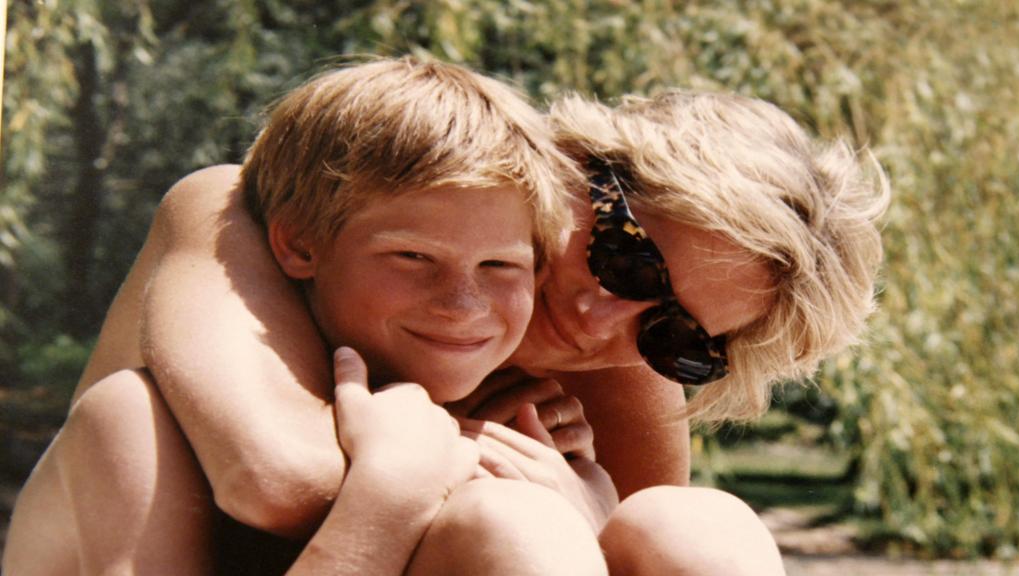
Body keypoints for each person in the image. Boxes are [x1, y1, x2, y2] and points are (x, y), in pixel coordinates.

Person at [4, 57, 612, 576]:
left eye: (500, 266)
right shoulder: (136, 425)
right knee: (512, 522)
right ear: (299, 247)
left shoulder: (491, 423)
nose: (463, 303)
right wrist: (388, 499)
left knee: (677, 518)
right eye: (412, 256)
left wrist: (585, 507)